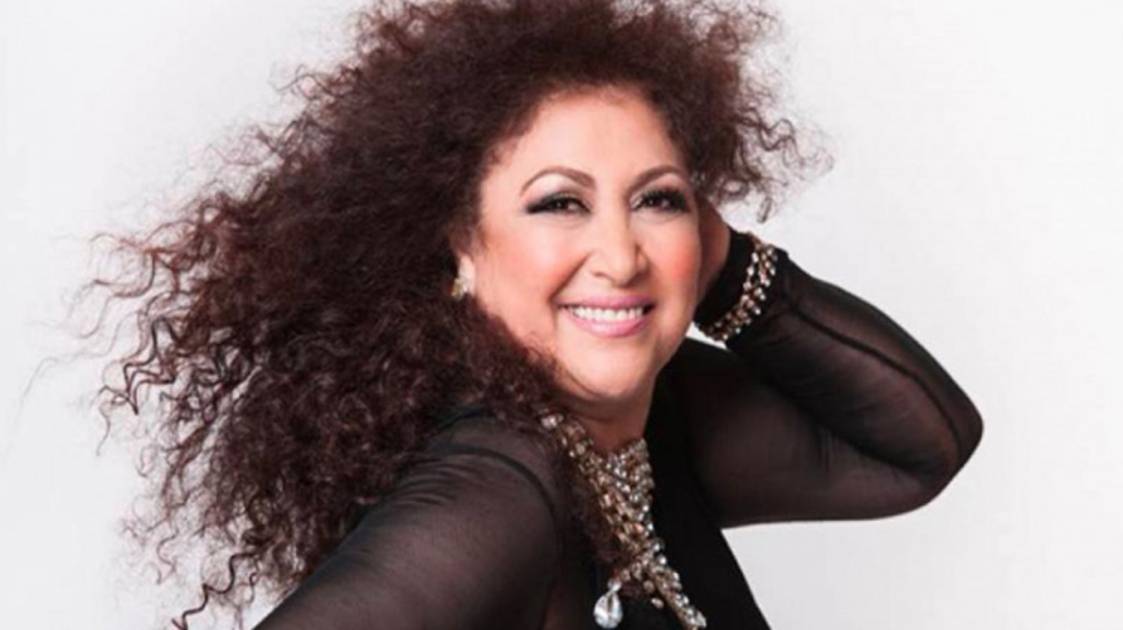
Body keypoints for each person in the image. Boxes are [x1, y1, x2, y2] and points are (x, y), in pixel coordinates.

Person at [88, 0, 983, 628]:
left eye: (657, 200)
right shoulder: (501, 488)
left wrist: (715, 266)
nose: (620, 254)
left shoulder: (635, 433)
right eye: (560, 203)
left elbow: (916, 449)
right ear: (462, 248)